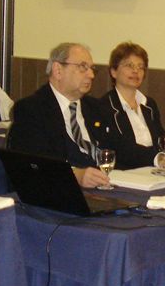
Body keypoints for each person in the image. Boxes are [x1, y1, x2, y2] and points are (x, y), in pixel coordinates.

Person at [6, 42, 111, 189]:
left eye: (92, 68)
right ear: (58, 70)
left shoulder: (96, 108)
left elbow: (113, 150)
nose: (91, 75)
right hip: (58, 190)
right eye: (83, 67)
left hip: (106, 185)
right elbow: (32, 165)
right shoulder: (32, 109)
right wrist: (74, 175)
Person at [97, 42, 165, 171]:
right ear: (113, 72)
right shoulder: (104, 106)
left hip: (155, 171)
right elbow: (122, 149)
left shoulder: (149, 105)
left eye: (140, 67)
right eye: (129, 65)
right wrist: (160, 160)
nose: (136, 71)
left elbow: (162, 143)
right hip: (125, 173)